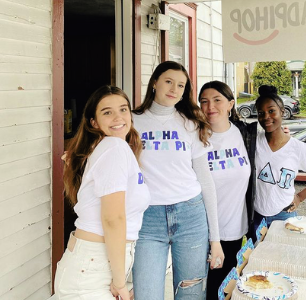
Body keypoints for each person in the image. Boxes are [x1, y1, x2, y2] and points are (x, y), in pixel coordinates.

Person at [131, 61, 224, 300]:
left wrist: (215, 240)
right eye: (168, 81)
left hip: (191, 216)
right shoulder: (132, 122)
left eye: (181, 85)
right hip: (147, 220)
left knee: (191, 294)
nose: (174, 89)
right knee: (147, 294)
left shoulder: (191, 124)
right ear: (154, 82)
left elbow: (206, 181)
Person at [54, 85, 151, 300]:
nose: (118, 117)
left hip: (97, 262)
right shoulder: (114, 148)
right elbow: (113, 218)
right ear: (93, 122)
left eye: (123, 109)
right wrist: (120, 283)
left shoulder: (110, 148)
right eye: (107, 112)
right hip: (93, 267)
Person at [252, 85, 306, 235]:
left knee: (284, 256)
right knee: (258, 256)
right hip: (257, 215)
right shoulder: (253, 142)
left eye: (271, 111)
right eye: (261, 113)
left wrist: (300, 197)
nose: (266, 117)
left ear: (282, 112)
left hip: (284, 214)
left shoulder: (298, 148)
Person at [198, 81, 251, 300]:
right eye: (204, 101)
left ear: (231, 104)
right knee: (204, 290)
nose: (210, 106)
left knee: (228, 289)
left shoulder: (246, 134)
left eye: (217, 100)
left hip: (235, 230)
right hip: (203, 232)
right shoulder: (195, 137)